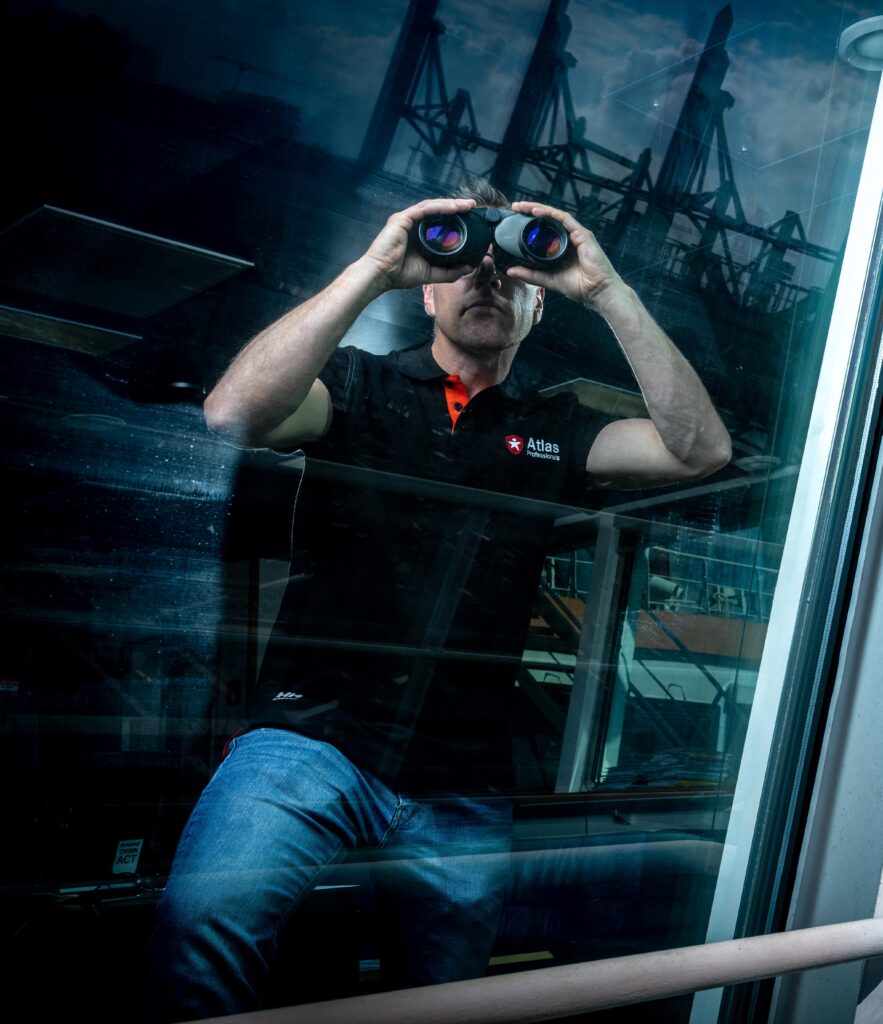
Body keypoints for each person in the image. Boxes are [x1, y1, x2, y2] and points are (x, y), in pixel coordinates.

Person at [145, 179, 731, 1022]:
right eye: (463, 264)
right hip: (314, 739)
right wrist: (374, 267)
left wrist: (605, 289)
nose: (486, 278)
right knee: (202, 926)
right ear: (427, 290)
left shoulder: (554, 428)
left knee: (446, 1006)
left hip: (462, 777)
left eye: (510, 270)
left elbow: (697, 451)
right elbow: (233, 414)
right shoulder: (357, 385)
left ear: (539, 304)